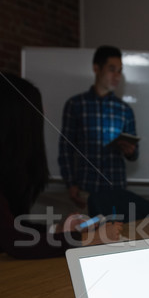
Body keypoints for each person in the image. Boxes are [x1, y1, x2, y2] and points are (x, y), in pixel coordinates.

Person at [0, 72, 122, 265]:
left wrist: (56, 230)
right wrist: (88, 239)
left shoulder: (0, 163)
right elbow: (15, 241)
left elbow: (11, 223)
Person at [58, 45, 139, 210]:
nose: (117, 76)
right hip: (85, 190)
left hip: (116, 190)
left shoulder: (125, 110)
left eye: (120, 70)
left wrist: (130, 151)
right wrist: (70, 183)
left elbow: (134, 153)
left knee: (117, 236)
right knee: (86, 236)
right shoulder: (76, 105)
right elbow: (66, 148)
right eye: (112, 69)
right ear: (96, 68)